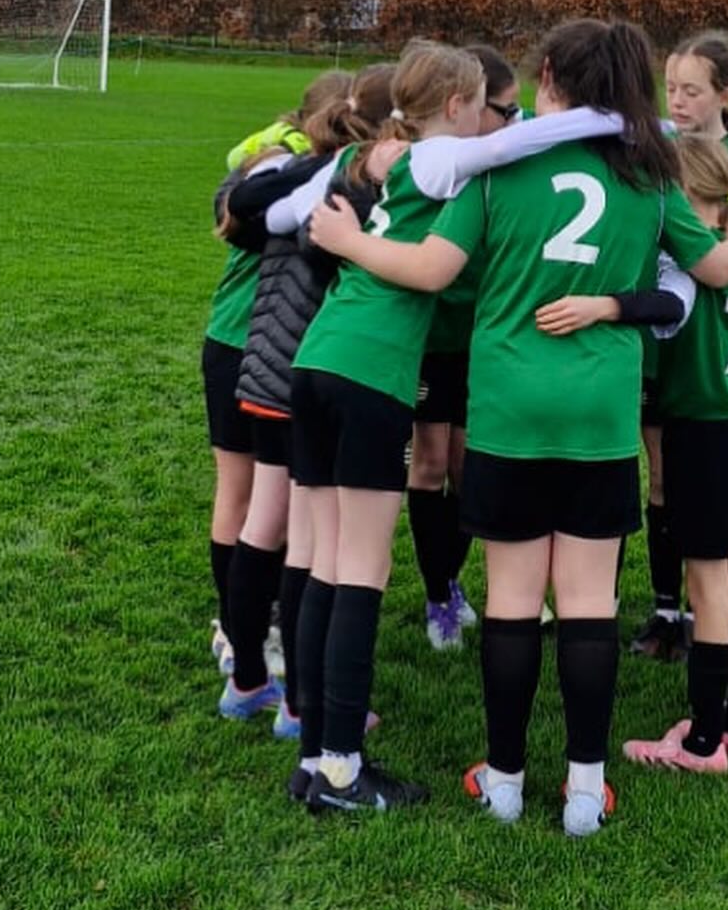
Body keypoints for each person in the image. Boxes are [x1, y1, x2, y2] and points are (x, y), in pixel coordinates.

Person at [308, 19, 728, 836]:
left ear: (551, 76)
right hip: (597, 411)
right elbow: (715, 269)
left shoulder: (500, 168)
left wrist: (351, 237)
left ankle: (507, 781)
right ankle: (586, 793)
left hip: (507, 410)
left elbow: (437, 269)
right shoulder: (652, 175)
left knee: (516, 600)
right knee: (589, 601)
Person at [536, 133, 728, 773]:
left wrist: (607, 307)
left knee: (707, 583)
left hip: (701, 434)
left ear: (681, 199)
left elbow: (666, 308)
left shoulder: (685, 263)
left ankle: (704, 742)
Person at [213, 66, 396, 736]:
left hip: (260, 366)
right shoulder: (349, 185)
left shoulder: (290, 171)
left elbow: (240, 205)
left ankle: (247, 682)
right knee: (306, 544)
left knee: (263, 523)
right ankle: (298, 704)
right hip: (300, 371)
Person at [203, 70, 350, 675]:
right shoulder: (308, 174)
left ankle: (242, 626)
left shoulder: (265, 159)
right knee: (268, 501)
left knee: (246, 497)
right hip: (266, 346)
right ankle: (247, 627)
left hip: (231, 341)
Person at [632, 32, 728, 661]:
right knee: (658, 479)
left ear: (723, 97)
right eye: (670, 88)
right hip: (656, 347)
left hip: (708, 358)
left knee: (692, 481)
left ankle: (712, 603)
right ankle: (665, 608)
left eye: (691, 91)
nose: (676, 101)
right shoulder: (658, 151)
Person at [410, 45, 521, 651]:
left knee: (467, 471)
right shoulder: (433, 165)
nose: (512, 122)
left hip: (484, 339)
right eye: (505, 109)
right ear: (468, 108)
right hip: (433, 338)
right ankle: (439, 597)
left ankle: (447, 582)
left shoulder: (499, 167)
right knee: (429, 465)